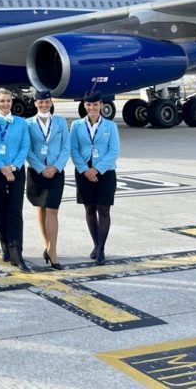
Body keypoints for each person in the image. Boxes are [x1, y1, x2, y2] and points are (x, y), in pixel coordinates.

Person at [70, 91, 120, 265]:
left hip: (105, 172)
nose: (92, 108)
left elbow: (114, 151)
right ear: (85, 106)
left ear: (101, 106)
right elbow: (74, 150)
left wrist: (97, 170)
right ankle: (96, 244)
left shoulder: (110, 126)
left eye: (95, 105)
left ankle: (101, 248)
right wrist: (85, 170)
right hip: (84, 172)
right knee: (89, 208)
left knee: (104, 209)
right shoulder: (76, 125)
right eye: (89, 105)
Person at [0, 88, 31, 271]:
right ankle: (4, 244)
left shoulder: (21, 122)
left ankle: (16, 250)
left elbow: (25, 146)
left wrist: (13, 167)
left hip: (16, 170)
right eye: (2, 101)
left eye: (8, 101)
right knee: (0, 209)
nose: (5, 104)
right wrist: (3, 168)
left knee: (15, 211)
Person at [25, 90, 70, 270]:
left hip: (56, 171)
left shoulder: (60, 122)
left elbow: (66, 147)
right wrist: (41, 168)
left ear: (51, 103)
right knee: (40, 209)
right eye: (40, 102)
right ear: (35, 103)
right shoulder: (28, 123)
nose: (43, 105)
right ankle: (47, 245)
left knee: (52, 210)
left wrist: (55, 167)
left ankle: (53, 250)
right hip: (37, 172)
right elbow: (27, 149)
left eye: (46, 102)